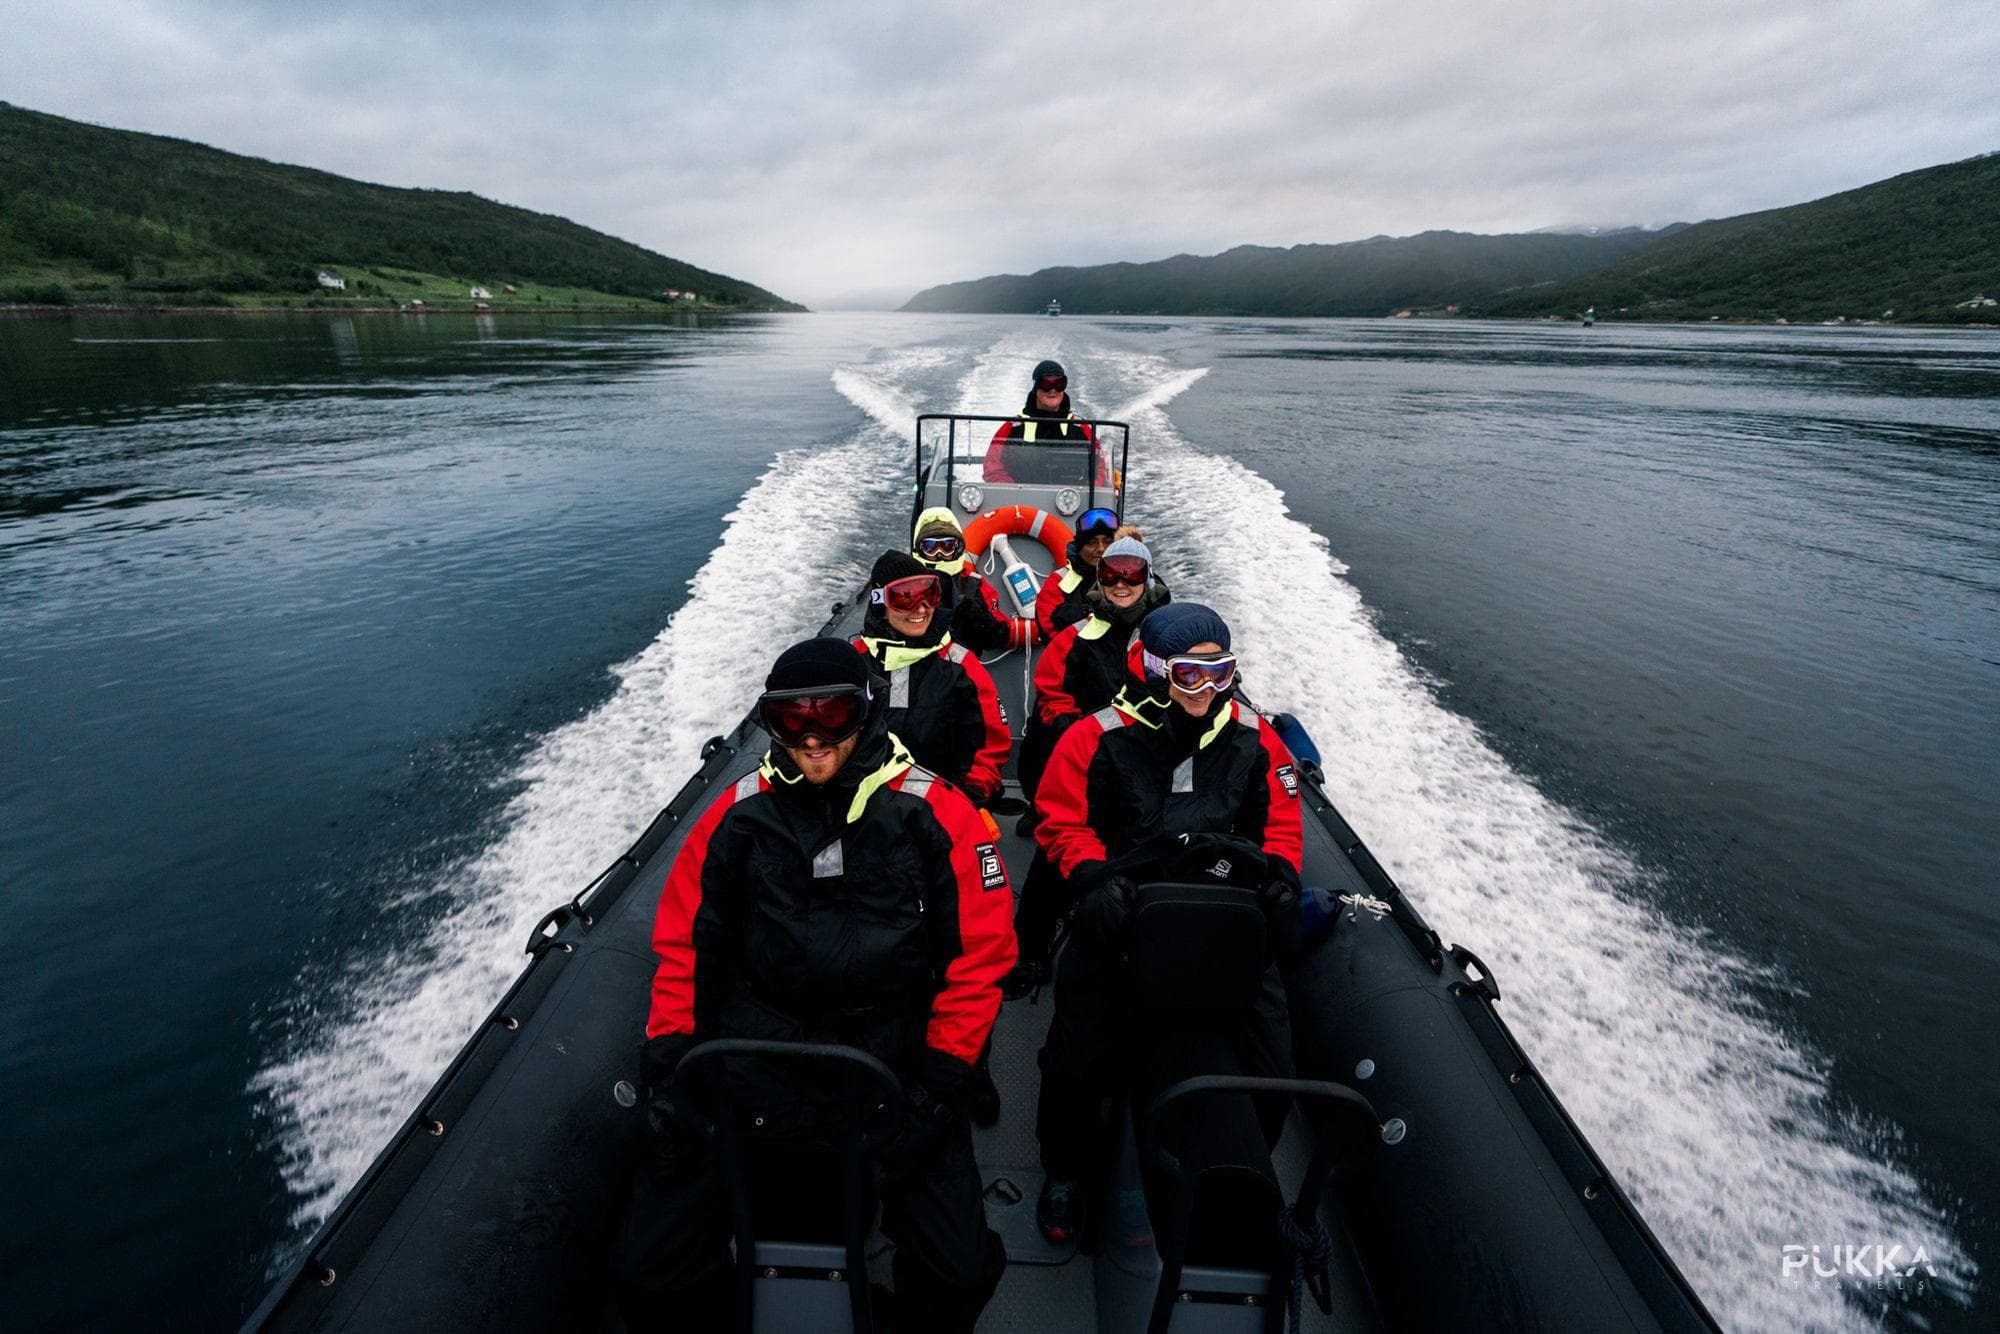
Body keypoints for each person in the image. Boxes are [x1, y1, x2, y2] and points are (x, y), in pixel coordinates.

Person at [611, 637, 1015, 1333]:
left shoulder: (935, 812)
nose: (813, 737)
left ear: (868, 711)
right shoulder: (736, 815)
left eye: (833, 714)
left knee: (957, 1272)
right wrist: (672, 1068)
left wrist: (939, 1082)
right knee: (649, 1272)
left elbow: (979, 960)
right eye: (791, 718)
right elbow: (686, 950)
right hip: (758, 1051)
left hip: (892, 1056)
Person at [1028, 603, 1305, 1244]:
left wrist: (1278, 881)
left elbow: (1281, 827)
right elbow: (1061, 820)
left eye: (1219, 672)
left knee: (1273, 1058)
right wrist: (1094, 880)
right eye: (1188, 674)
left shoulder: (1255, 740)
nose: (1205, 689)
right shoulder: (1096, 737)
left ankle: (1241, 1170)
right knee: (1075, 1059)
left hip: (1219, 919)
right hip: (1123, 917)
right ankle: (1066, 1169)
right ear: (1155, 669)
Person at [852, 550, 1011, 808]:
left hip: (943, 805)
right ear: (880, 602)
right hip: (864, 808)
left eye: (929, 595)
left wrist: (964, 801)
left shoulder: (960, 665)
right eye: (905, 597)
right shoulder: (853, 664)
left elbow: (989, 747)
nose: (921, 608)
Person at [982, 359, 1105, 485]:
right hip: (1020, 496)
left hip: (1071, 496)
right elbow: (992, 467)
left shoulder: (1081, 429)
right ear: (1036, 388)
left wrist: (1086, 490)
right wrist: (1014, 491)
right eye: (1046, 384)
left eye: (1059, 384)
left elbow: (1100, 469)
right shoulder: (1012, 428)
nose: (1053, 390)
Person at [910, 506, 1015, 653]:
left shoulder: (974, 584)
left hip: (963, 663)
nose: (939, 553)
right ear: (920, 549)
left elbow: (998, 637)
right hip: (918, 662)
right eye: (930, 547)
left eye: (947, 546)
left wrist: (978, 616)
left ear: (957, 548)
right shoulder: (906, 583)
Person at [1033, 506, 1121, 641]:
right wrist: (1085, 611)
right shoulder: (1059, 580)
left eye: (1107, 542)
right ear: (1080, 547)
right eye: (1092, 542)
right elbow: (1047, 628)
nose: (1101, 548)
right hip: (1074, 653)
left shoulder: (1132, 576)